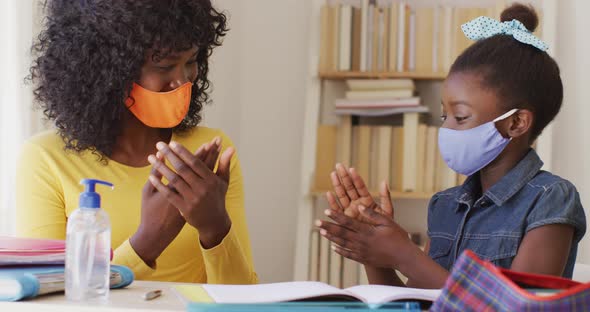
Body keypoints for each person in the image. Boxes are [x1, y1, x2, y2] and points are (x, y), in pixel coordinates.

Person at [316, 3, 586, 289]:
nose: (446, 129)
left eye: (460, 117)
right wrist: (375, 248)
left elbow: (518, 307)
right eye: (445, 116)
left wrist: (405, 254)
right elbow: (416, 303)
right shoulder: (445, 205)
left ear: (517, 123)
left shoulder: (550, 199)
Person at [16, 0, 257, 284]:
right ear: (107, 68)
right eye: (165, 66)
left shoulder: (208, 153)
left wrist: (215, 227)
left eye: (190, 61)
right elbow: (47, 299)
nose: (182, 81)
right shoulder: (45, 159)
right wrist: (148, 241)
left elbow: (244, 298)